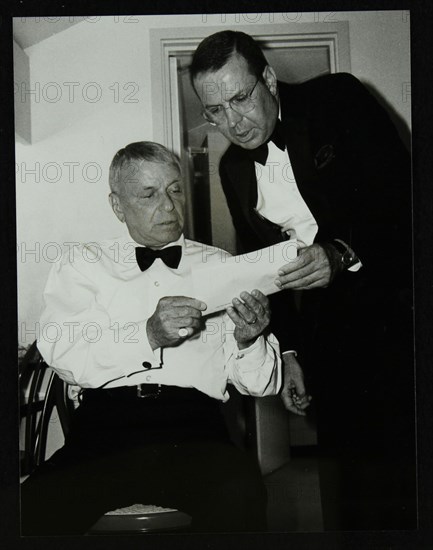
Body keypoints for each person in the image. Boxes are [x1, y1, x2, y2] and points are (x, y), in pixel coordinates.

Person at [191, 30, 416, 530]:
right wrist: (287, 353)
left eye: (240, 98)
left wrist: (342, 251)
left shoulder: (338, 99)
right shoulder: (232, 170)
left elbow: (405, 195)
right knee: (348, 489)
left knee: (409, 477)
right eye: (216, 111)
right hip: (329, 340)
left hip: (401, 315)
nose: (233, 122)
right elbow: (259, 264)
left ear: (268, 78)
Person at [20, 141, 282, 535]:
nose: (168, 204)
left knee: (241, 495)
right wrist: (146, 334)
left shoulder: (222, 266)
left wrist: (250, 341)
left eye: (175, 189)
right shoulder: (83, 264)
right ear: (117, 205)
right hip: (103, 434)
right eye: (149, 193)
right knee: (29, 510)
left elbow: (263, 383)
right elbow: (63, 352)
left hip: (195, 433)